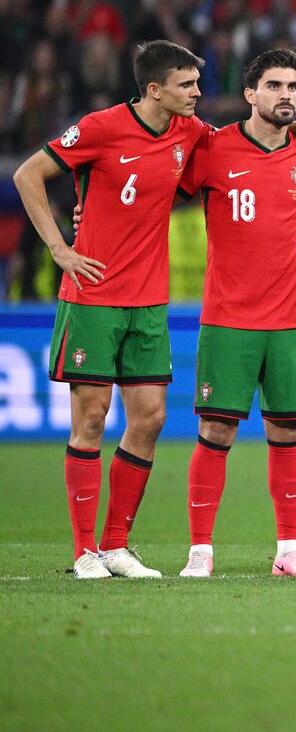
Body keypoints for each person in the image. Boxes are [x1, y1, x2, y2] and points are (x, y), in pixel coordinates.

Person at [12, 42, 209, 579]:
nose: (197, 93)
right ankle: (83, 553)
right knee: (92, 419)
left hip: (149, 302)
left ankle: (116, 546)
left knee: (150, 419)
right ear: (154, 89)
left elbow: (243, 147)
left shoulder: (189, 133)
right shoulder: (100, 127)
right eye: (187, 85)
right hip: (94, 297)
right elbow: (28, 174)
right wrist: (59, 248)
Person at [177, 48, 296, 578]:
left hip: (289, 321)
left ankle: (289, 551)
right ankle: (200, 553)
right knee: (216, 432)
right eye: (275, 86)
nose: (286, 95)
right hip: (228, 318)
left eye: (293, 87)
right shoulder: (212, 148)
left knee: (287, 433)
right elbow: (161, 193)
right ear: (250, 94)